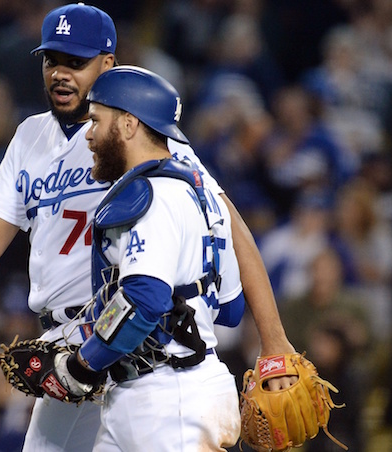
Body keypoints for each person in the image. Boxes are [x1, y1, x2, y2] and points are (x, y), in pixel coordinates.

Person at [0, 3, 296, 451]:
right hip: (68, 346)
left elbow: (228, 228)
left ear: (108, 64)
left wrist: (274, 341)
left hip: (142, 340)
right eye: (52, 59)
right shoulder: (29, 137)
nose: (60, 72)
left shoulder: (143, 137)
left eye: (76, 62)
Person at [53, 64, 244, 450]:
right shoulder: (202, 193)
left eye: (96, 120)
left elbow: (144, 300)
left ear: (128, 125)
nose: (88, 134)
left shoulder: (151, 195)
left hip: (168, 400)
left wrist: (83, 363)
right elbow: (230, 308)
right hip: (165, 390)